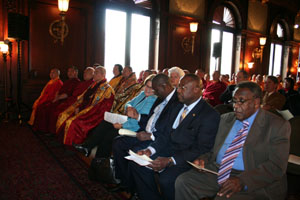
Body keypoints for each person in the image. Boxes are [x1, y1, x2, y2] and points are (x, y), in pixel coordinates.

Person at [175, 81, 291, 200]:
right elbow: (212, 149)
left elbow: (276, 166)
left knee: (224, 197)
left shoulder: (276, 125)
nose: (235, 106)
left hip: (252, 177)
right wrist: (203, 159)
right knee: (183, 182)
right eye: (234, 101)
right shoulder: (225, 119)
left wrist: (242, 181)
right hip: (218, 170)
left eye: (241, 101)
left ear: (256, 103)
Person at [129, 74, 220, 200]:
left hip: (186, 158)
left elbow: (201, 148)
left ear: (196, 89)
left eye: (183, 88)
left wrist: (171, 160)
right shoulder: (177, 107)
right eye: (179, 87)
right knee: (138, 163)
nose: (178, 90)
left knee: (167, 179)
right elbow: (165, 135)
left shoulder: (209, 115)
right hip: (167, 150)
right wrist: (150, 150)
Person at [112, 74, 181, 194]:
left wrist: (150, 136)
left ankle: (137, 190)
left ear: (163, 86)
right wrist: (138, 117)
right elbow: (150, 119)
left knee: (134, 153)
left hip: (157, 139)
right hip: (146, 132)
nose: (154, 92)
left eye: (155, 89)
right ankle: (125, 183)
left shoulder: (177, 101)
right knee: (118, 143)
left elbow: (168, 131)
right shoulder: (161, 97)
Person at [73, 74, 157, 159]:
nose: (148, 89)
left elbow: (139, 121)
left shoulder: (153, 99)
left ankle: (100, 160)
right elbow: (128, 103)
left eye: (151, 88)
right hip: (128, 122)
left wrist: (121, 126)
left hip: (134, 128)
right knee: (105, 123)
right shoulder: (142, 94)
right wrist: (128, 107)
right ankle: (87, 147)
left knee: (109, 135)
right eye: (147, 86)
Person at [56, 66, 114, 145]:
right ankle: (61, 140)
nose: (94, 75)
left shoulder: (107, 89)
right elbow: (83, 98)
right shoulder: (93, 85)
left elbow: (98, 107)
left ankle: (71, 146)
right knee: (64, 115)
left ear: (103, 74)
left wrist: (81, 110)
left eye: (96, 73)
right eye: (94, 73)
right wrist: (77, 107)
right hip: (85, 109)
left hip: (95, 113)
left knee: (72, 122)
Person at [32, 66, 81, 132]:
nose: (68, 73)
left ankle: (49, 130)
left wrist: (57, 98)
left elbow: (68, 94)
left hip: (64, 101)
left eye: (70, 71)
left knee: (49, 110)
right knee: (42, 107)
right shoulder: (68, 81)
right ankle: (41, 129)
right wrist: (56, 97)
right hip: (58, 99)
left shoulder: (76, 82)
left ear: (75, 72)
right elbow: (59, 91)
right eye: (68, 71)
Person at [47, 67, 95, 134]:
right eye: (84, 72)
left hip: (77, 104)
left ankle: (61, 134)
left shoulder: (92, 85)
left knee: (60, 114)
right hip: (71, 101)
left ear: (93, 75)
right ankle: (53, 132)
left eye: (87, 72)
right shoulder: (82, 83)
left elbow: (86, 99)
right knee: (55, 110)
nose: (84, 74)